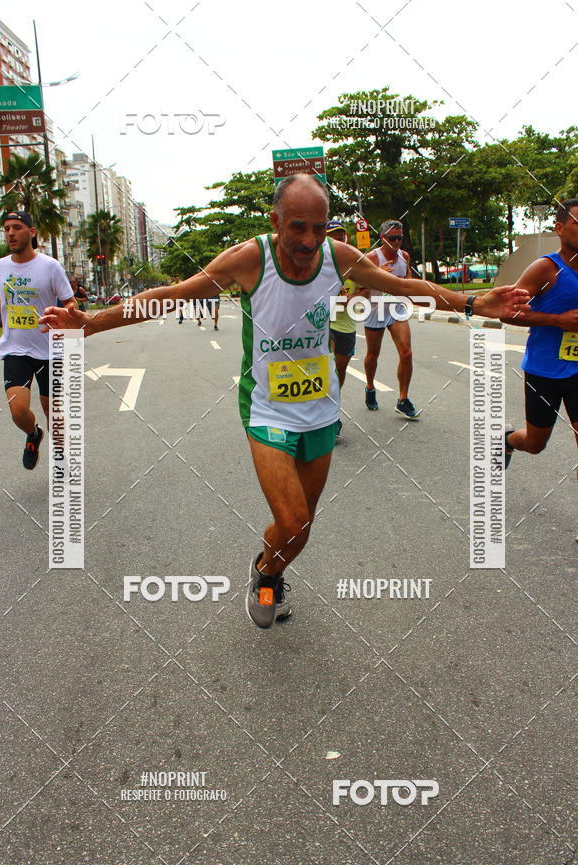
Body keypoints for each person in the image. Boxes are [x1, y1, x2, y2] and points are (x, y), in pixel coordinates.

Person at [39, 174, 528, 628]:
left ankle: (267, 570)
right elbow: (173, 295)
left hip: (319, 408)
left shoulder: (338, 257)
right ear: (275, 222)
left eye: (319, 228)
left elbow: (402, 288)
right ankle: (267, 575)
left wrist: (472, 302)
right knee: (293, 519)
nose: (310, 241)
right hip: (267, 408)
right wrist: (89, 323)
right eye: (298, 228)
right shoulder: (249, 259)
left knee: (300, 529)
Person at [0, 211, 75, 470]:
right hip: (15, 349)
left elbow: (70, 301)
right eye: (7, 228)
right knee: (18, 411)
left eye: (17, 227)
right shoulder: (0, 266)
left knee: (53, 412)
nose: (10, 233)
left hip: (49, 350)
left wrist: (66, 314)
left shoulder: (50, 266)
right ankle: (33, 434)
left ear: (31, 232)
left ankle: (60, 451)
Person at [501, 198, 578, 469]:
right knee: (535, 444)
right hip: (545, 371)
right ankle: (508, 440)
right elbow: (508, 312)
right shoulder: (547, 269)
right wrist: (558, 320)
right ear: (559, 228)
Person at [362, 220, 420, 419]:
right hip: (376, 309)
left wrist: (407, 286)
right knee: (372, 355)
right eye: (392, 238)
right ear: (382, 238)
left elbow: (408, 279)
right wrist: (378, 276)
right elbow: (360, 284)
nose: (397, 242)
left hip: (396, 309)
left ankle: (403, 400)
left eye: (400, 238)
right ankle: (370, 387)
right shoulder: (372, 257)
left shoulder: (404, 256)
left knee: (406, 352)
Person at [326, 219, 357, 439]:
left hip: (347, 325)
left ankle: (332, 407)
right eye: (333, 236)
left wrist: (352, 299)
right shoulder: (317, 265)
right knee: (327, 371)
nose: (338, 239)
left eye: (340, 236)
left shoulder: (354, 265)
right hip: (325, 325)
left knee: (339, 372)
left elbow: (368, 291)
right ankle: (329, 416)